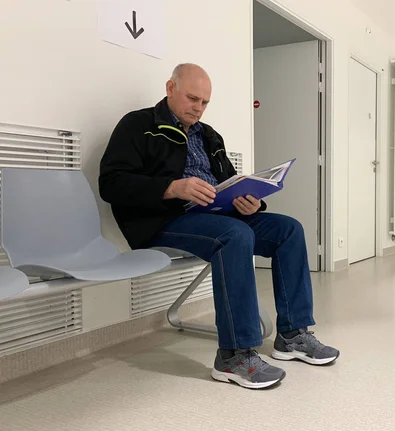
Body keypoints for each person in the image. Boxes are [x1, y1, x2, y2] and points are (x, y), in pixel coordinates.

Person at [99, 63, 339, 389]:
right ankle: (234, 355)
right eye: (192, 98)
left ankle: (293, 335)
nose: (198, 107)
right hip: (164, 221)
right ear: (170, 88)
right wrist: (172, 187)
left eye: (205, 102)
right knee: (235, 235)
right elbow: (111, 184)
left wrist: (250, 201)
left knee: (289, 229)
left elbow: (228, 182)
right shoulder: (138, 125)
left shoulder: (209, 135)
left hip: (218, 216)